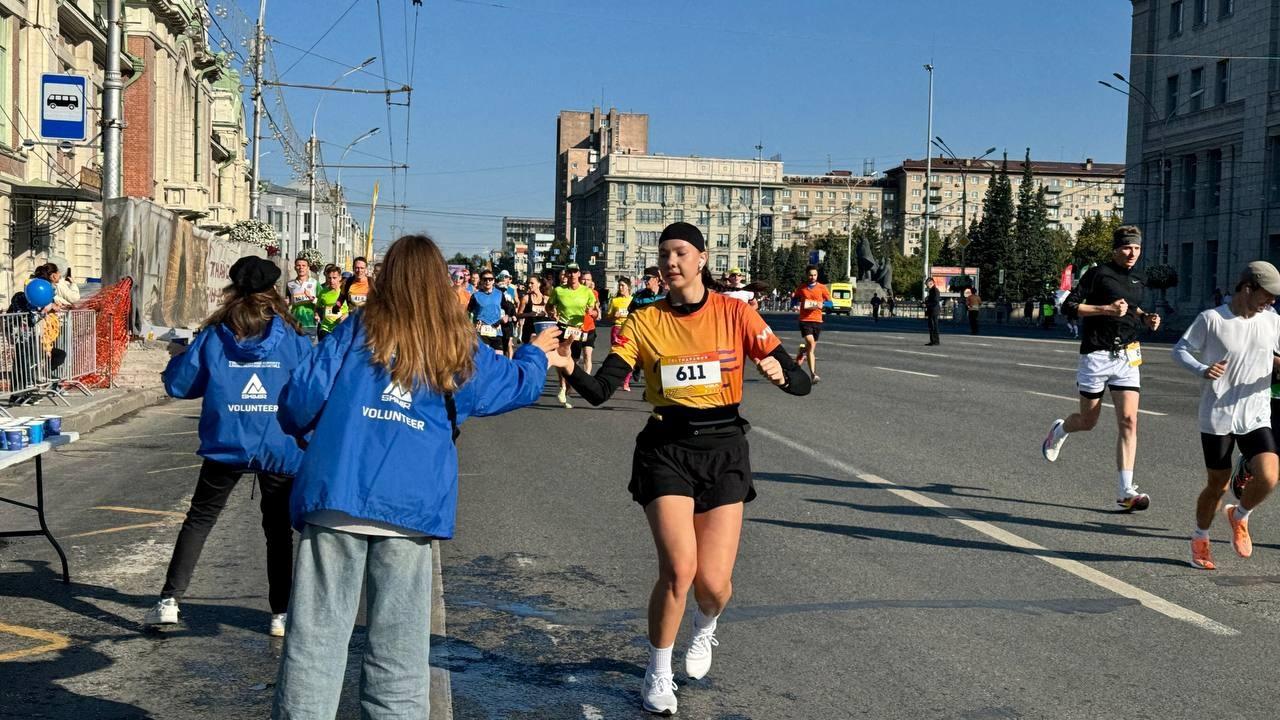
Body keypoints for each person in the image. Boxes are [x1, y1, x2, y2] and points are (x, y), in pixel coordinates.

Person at [271, 234, 570, 719]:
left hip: (336, 498)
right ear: (441, 283)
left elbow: (300, 400)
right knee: (400, 656)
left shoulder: (357, 329)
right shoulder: (457, 345)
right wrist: (537, 351)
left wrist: (316, 434)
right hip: (410, 511)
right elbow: (514, 384)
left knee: (315, 646)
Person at [559, 222, 811, 715]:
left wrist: (785, 377)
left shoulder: (736, 313)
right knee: (679, 568)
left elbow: (799, 379)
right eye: (663, 255)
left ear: (701, 258)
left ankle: (706, 626)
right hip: (666, 448)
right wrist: (569, 368)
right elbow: (602, 389)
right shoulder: (642, 322)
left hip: (724, 450)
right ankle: (657, 670)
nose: (669, 263)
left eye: (679, 253)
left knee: (712, 584)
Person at [145, 257, 310, 637]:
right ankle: (280, 614)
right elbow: (310, 391)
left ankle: (169, 601)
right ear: (275, 292)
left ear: (233, 290)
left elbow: (181, 386)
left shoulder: (215, 334)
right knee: (277, 530)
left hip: (227, 440)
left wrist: (176, 360)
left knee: (200, 519)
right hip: (279, 442)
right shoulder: (294, 337)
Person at [1041, 225, 1162, 511]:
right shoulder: (1098, 274)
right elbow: (1069, 306)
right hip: (1096, 354)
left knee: (1129, 422)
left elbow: (1132, 308)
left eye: (1136, 248)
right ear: (1115, 249)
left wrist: (1146, 318)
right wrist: (1105, 310)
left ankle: (1126, 490)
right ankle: (1059, 430)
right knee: (1088, 420)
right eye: (1126, 248)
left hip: (1127, 357)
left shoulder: (1138, 278)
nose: (1132, 253)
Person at [1174, 262, 1280, 570]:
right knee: (1217, 484)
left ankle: (1240, 514)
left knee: (1270, 475)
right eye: (1267, 294)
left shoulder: (1272, 321)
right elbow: (1180, 350)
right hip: (1218, 414)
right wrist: (1202, 369)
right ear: (1248, 288)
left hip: (1256, 412)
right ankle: (1200, 537)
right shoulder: (1212, 319)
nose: (1271, 301)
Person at [547, 262, 597, 409]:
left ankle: (567, 388)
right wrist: (551, 312)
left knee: (573, 361)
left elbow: (595, 312)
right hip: (562, 326)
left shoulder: (587, 292)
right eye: (570, 272)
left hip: (577, 330)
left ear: (579, 274)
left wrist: (591, 313)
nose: (573, 275)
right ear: (567, 274)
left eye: (575, 272)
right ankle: (562, 387)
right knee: (561, 357)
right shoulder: (558, 290)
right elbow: (549, 306)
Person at [792, 265, 831, 383]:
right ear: (806, 275)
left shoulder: (822, 288)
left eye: (814, 275)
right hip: (805, 320)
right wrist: (794, 303)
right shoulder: (802, 288)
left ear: (817, 275)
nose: (812, 277)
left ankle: (802, 351)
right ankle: (813, 374)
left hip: (817, 321)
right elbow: (794, 299)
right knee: (811, 343)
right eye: (810, 275)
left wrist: (822, 305)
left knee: (810, 348)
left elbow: (830, 304)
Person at [467, 270, 515, 355]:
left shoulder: (499, 294)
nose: (487, 281)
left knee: (498, 357)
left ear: (493, 280)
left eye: (490, 279)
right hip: (481, 331)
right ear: (481, 281)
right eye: (485, 279)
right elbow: (468, 312)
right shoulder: (475, 296)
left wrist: (507, 316)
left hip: (496, 330)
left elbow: (509, 307)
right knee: (485, 357)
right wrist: (472, 325)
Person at [606, 277, 634, 392]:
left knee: (631, 356)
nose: (620, 288)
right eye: (619, 286)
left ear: (628, 287)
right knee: (616, 355)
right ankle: (615, 379)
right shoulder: (615, 301)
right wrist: (614, 316)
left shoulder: (633, 300)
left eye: (622, 285)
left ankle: (626, 381)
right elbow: (608, 317)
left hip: (630, 330)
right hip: (617, 329)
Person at [315, 265, 349, 342]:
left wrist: (345, 316)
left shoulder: (345, 292)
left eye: (334, 278)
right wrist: (316, 315)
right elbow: (318, 307)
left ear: (340, 278)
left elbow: (351, 310)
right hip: (325, 329)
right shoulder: (323, 292)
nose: (331, 281)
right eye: (329, 278)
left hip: (340, 329)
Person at [287, 258, 318, 339]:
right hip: (296, 323)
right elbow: (288, 302)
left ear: (308, 268)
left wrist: (312, 298)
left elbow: (322, 302)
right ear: (295, 268)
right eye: (298, 265)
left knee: (309, 350)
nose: (301, 268)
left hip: (310, 323)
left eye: (303, 266)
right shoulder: (290, 284)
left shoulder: (314, 283)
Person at [580, 270, 602, 374]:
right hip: (575, 328)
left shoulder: (594, 293)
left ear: (591, 281)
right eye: (583, 279)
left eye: (588, 279)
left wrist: (592, 312)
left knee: (587, 355)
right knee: (573, 358)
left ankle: (586, 379)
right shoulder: (573, 293)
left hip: (589, 328)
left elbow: (597, 314)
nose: (585, 282)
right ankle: (570, 380)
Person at [518, 275, 549, 345]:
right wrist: (529, 314)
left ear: (539, 284)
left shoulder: (546, 299)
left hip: (541, 331)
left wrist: (547, 313)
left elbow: (551, 315)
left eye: (532, 283)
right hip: (528, 332)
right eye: (528, 283)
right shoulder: (525, 298)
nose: (529, 285)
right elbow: (518, 314)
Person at [497, 270, 520, 357]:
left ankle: (509, 362)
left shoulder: (512, 288)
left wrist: (514, 313)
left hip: (509, 318)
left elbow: (517, 301)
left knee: (509, 343)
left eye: (507, 277)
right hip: (499, 318)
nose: (505, 279)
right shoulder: (495, 288)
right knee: (500, 343)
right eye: (503, 277)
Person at [924, 278, 941, 346]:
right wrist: (925, 303)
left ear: (931, 283)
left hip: (934, 310)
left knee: (934, 326)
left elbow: (935, 301)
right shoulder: (931, 290)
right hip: (931, 310)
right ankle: (933, 340)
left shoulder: (935, 290)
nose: (927, 286)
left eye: (927, 285)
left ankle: (935, 341)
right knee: (931, 326)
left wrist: (927, 304)